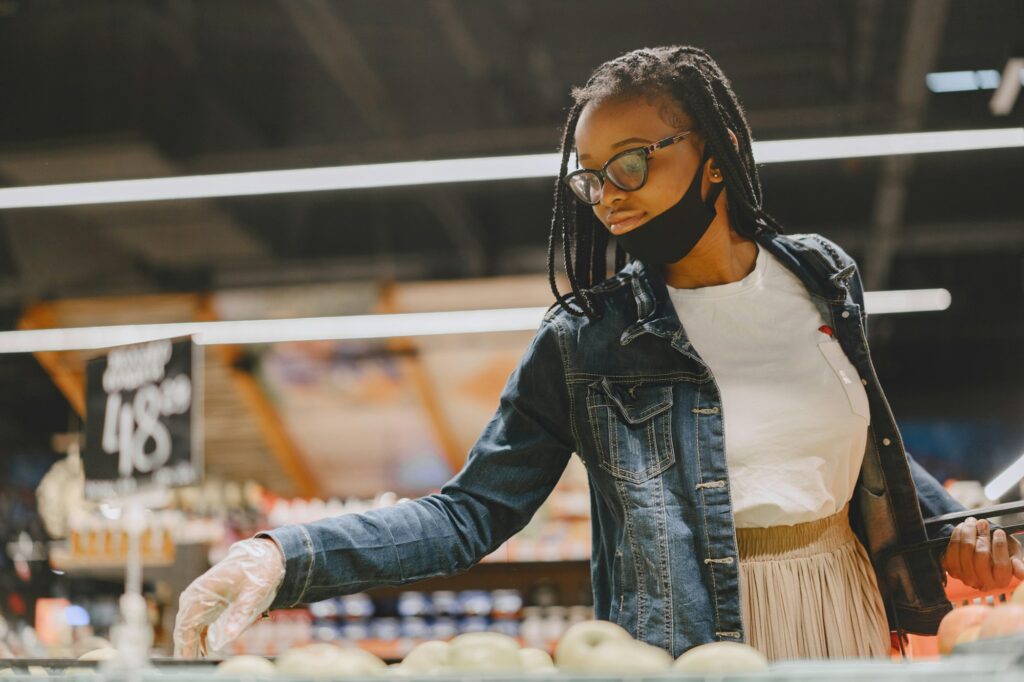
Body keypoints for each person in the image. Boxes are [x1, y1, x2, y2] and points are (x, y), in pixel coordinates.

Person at [173, 46, 1023, 661]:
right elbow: (471, 512)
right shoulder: (587, 341)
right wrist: (282, 554)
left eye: (628, 164)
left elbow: (858, 435)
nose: (606, 199)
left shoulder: (821, 275)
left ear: (714, 156)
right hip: (699, 643)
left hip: (844, 612)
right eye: (588, 177)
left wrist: (947, 530)